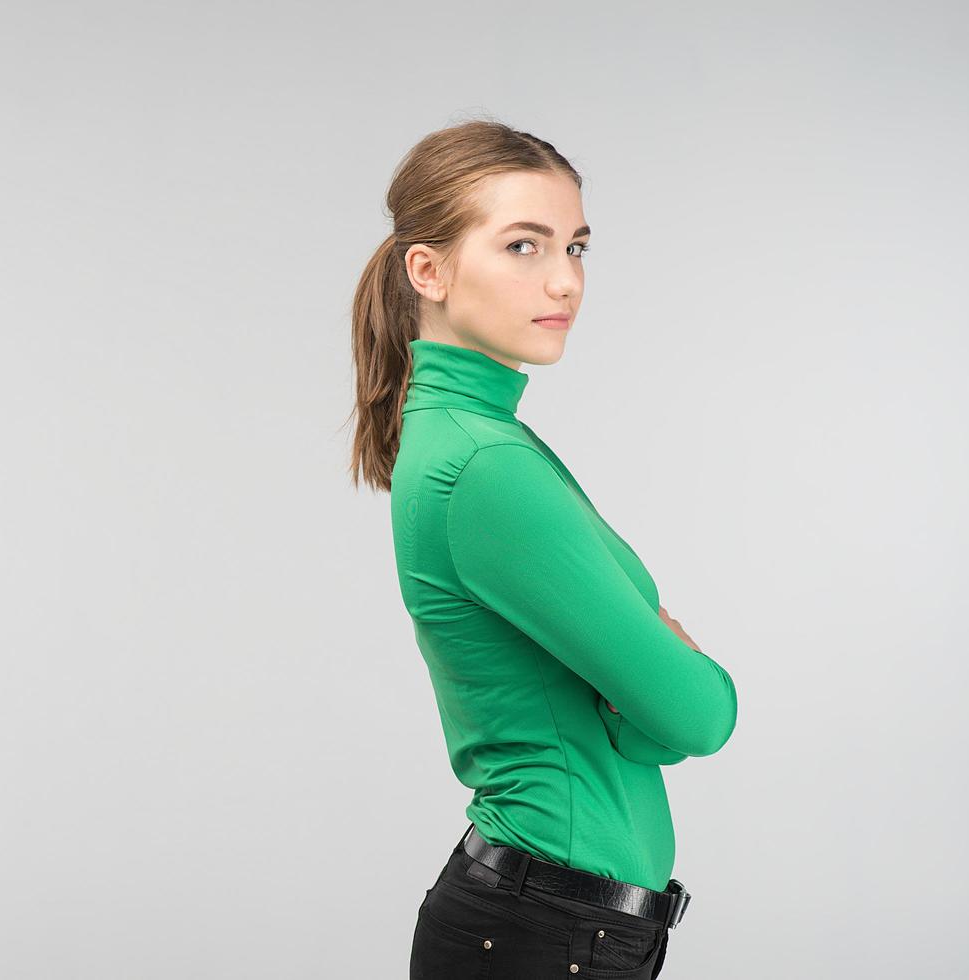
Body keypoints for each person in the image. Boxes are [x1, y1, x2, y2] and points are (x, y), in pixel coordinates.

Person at [347, 118, 739, 978]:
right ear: (429, 270)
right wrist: (652, 689)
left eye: (576, 246)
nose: (564, 279)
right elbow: (698, 716)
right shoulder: (485, 466)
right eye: (523, 245)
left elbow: (660, 721)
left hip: (549, 927)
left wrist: (638, 705)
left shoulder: (474, 437)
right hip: (543, 936)